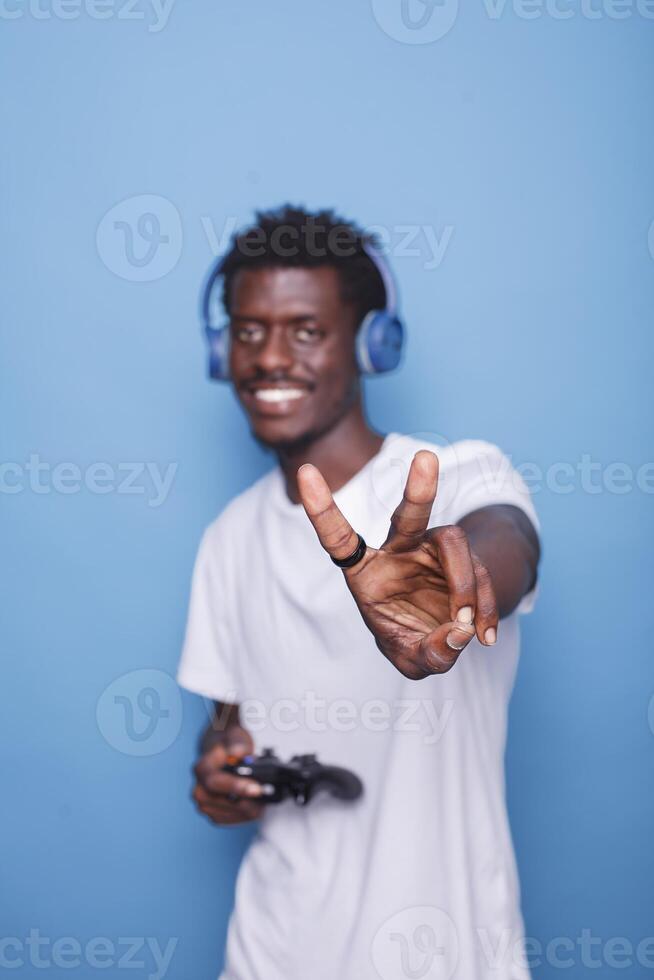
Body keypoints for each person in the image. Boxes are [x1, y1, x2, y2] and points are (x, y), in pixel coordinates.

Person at [178, 205, 541, 980]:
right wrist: (219, 775)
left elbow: (508, 545)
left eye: (306, 329)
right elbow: (227, 730)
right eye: (247, 331)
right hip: (268, 956)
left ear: (373, 343)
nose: (269, 357)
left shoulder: (458, 478)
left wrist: (455, 583)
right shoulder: (226, 540)